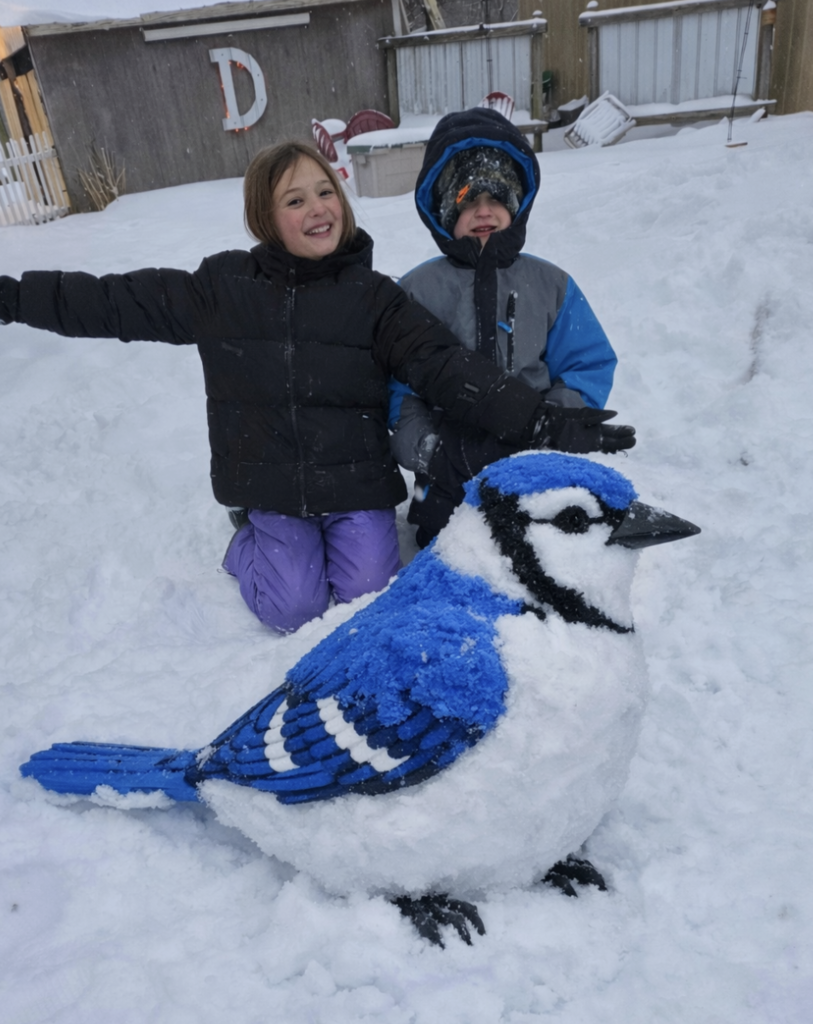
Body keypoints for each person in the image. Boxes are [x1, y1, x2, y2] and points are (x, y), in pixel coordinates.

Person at [0, 141, 618, 634]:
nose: (317, 207)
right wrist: (15, 297)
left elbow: (444, 366)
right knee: (292, 607)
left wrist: (537, 420)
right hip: (270, 482)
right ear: (266, 219)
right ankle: (248, 543)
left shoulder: (375, 299)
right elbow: (112, 301)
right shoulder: (223, 288)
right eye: (294, 201)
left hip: (354, 482)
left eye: (326, 191)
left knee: (369, 597)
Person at [389, 107, 636, 547]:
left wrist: (553, 429)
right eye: (467, 199)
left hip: (531, 446)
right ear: (444, 208)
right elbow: (398, 389)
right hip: (444, 461)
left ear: (517, 203)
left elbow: (586, 363)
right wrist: (427, 448)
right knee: (435, 537)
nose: (484, 212)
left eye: (497, 198)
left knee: (545, 541)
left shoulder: (551, 284)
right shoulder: (418, 289)